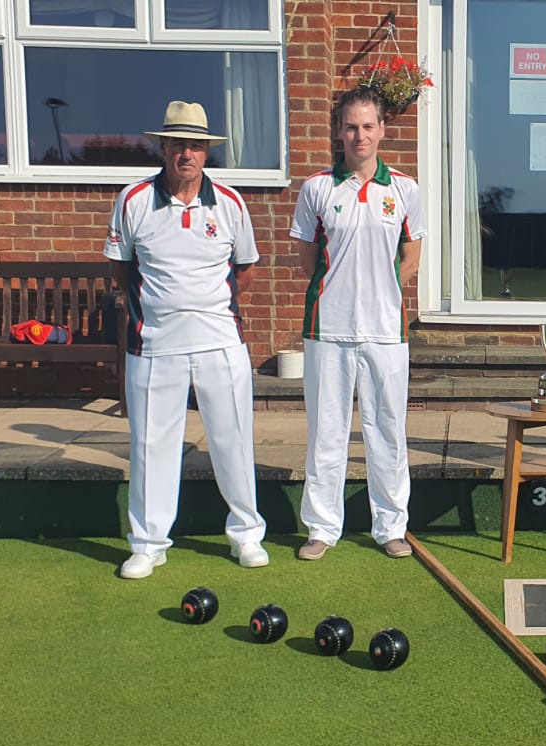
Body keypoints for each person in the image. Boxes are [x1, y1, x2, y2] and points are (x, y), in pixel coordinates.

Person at [104, 100, 268, 579]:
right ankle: (148, 543)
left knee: (233, 440)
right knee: (151, 444)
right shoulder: (133, 200)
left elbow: (246, 269)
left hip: (220, 341)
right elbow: (121, 268)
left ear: (206, 152)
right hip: (154, 344)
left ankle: (246, 534)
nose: (186, 155)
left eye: (195, 146)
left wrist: (207, 304)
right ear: (163, 147)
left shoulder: (231, 203)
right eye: (177, 145)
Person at [289, 88, 426, 560]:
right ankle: (322, 528)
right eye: (351, 126)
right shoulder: (317, 188)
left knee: (387, 432)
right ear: (339, 131)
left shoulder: (405, 189)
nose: (359, 135)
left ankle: (391, 526)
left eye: (368, 126)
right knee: (326, 433)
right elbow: (309, 258)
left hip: (387, 332)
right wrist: (343, 290)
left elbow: (411, 256)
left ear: (383, 130)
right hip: (328, 330)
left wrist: (381, 289)